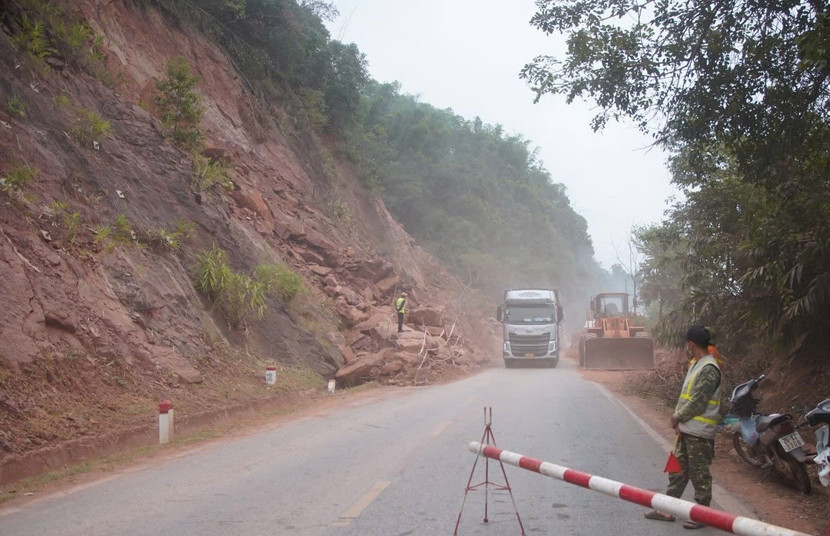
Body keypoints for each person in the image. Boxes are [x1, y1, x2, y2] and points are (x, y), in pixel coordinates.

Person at [644, 325, 722, 529]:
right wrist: (680, 423)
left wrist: (676, 417)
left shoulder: (709, 369)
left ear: (691, 344)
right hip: (688, 429)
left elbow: (698, 401)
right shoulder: (696, 364)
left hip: (699, 432)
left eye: (686, 344)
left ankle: (703, 514)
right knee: (677, 471)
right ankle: (667, 509)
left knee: (699, 474)